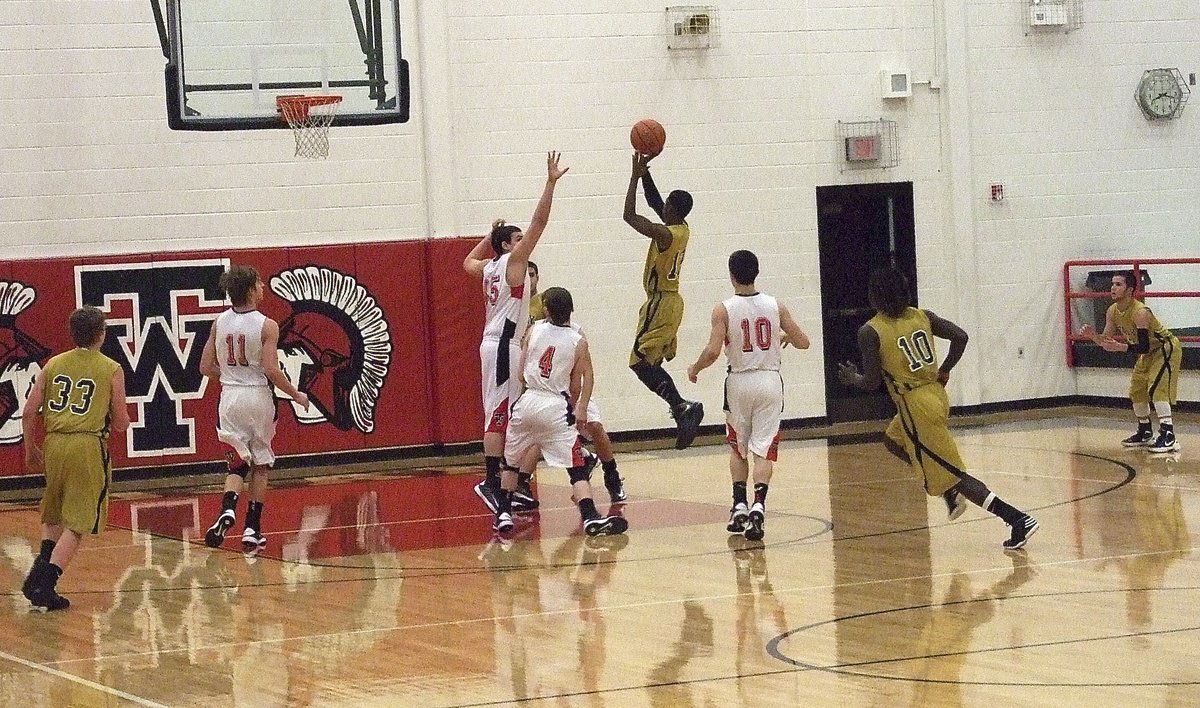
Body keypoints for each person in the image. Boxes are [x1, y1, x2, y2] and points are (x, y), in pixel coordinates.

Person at [837, 266, 1039, 551]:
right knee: (893, 441)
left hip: (914, 406)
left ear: (874, 296)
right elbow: (961, 336)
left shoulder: (870, 331)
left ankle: (1017, 519)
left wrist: (851, 379)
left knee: (953, 471)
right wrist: (945, 369)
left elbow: (871, 382)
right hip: (935, 394)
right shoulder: (923, 316)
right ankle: (946, 488)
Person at [463, 152, 569, 513]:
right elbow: (540, 221)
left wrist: (489, 234)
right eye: (517, 237)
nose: (525, 240)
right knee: (499, 413)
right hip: (504, 344)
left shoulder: (489, 265)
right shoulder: (512, 262)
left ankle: (504, 480)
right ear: (509, 245)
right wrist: (550, 183)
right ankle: (491, 482)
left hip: (494, 343)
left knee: (502, 410)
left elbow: (466, 263)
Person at [687, 250, 810, 541]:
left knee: (737, 448)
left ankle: (739, 505)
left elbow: (714, 351)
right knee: (764, 449)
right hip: (770, 381)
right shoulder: (776, 305)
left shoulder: (723, 309)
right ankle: (759, 506)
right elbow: (804, 342)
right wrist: (782, 338)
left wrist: (695, 367)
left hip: (739, 381)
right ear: (757, 272)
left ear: (731, 275)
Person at [20, 306, 130, 611]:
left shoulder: (53, 364)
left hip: (54, 443)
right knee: (80, 523)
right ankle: (45, 582)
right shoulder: (111, 368)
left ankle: (38, 574)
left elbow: (30, 412)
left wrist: (31, 448)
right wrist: (120, 419)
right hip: (86, 445)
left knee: (54, 513)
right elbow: (120, 421)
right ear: (102, 334)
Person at [494, 287, 627, 537]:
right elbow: (584, 379)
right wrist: (579, 407)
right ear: (571, 310)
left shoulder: (533, 331)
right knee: (577, 468)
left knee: (511, 463)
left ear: (546, 310)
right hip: (555, 405)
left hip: (528, 400)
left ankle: (502, 513)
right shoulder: (578, 341)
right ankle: (589, 516)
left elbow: (521, 373)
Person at [199, 265, 310, 553]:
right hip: (258, 396)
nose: (263, 286)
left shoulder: (218, 322)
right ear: (250, 289)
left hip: (230, 396)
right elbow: (272, 370)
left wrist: (229, 376)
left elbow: (204, 367)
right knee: (260, 465)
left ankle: (227, 508)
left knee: (237, 464)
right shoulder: (267, 325)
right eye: (259, 283)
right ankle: (252, 528)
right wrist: (295, 394)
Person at [525, 261, 626, 503]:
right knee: (536, 435)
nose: (529, 279)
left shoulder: (573, 332)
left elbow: (587, 372)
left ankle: (612, 476)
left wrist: (579, 403)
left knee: (595, 427)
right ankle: (519, 484)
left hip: (570, 389)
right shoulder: (528, 320)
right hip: (545, 389)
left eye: (532, 275)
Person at [622, 152, 704, 450]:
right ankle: (681, 407)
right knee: (650, 362)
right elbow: (656, 203)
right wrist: (645, 174)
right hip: (672, 302)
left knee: (639, 362)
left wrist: (633, 177)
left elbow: (629, 216)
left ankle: (682, 406)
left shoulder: (665, 234)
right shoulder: (681, 229)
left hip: (660, 303)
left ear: (672, 208)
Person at [1080, 270, 1182, 453]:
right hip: (1146, 353)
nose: (1112, 288)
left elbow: (1142, 346)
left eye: (1118, 284)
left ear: (1130, 290)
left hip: (1164, 348)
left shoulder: (1140, 312)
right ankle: (1144, 430)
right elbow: (1106, 342)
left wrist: (1122, 347)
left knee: (1156, 388)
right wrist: (1093, 336)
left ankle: (1168, 435)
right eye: (1112, 284)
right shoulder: (1112, 311)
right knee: (1137, 390)